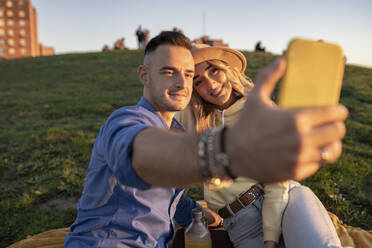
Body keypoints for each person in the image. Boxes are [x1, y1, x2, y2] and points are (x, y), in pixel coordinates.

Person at [64, 31, 348, 248]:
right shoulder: (125, 120)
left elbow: (166, 197)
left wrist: (195, 212)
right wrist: (226, 150)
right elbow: (138, 157)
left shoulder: (178, 129)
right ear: (144, 75)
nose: (182, 83)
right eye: (169, 72)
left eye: (188, 74)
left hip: (279, 202)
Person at [176, 44, 346, 248]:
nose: (211, 84)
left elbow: (278, 178)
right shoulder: (193, 117)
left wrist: (271, 237)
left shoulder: (259, 109)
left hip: (284, 199)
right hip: (240, 223)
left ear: (228, 70)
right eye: (199, 81)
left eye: (214, 71)